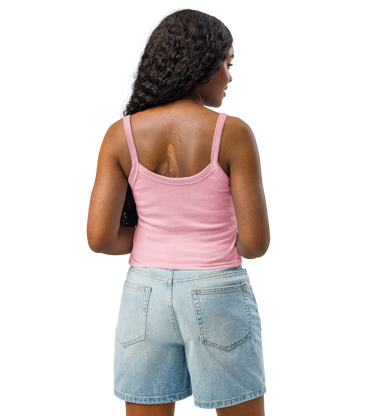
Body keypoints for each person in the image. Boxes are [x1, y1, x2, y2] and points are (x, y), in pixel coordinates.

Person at [87, 4, 271, 415]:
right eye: (228, 64)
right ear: (201, 64)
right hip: (218, 290)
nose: (231, 78)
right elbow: (256, 245)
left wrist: (155, 237)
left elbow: (98, 239)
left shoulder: (119, 134)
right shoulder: (234, 131)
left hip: (143, 295)